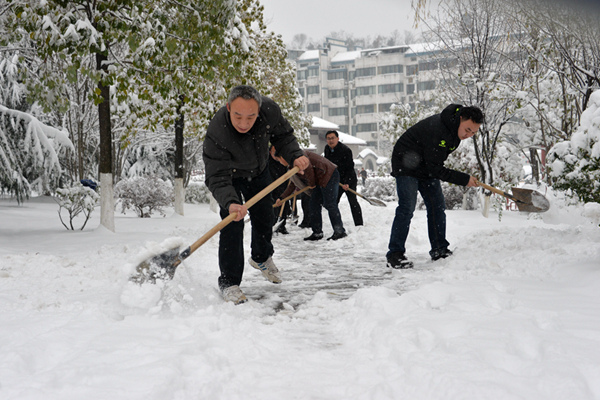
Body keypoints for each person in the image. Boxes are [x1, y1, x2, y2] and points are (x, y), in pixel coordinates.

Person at [203, 85, 310, 304]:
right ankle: (229, 282)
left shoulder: (270, 111)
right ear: (228, 108)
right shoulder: (218, 131)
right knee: (232, 223)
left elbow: (284, 137)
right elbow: (217, 176)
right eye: (238, 116)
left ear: (259, 110)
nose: (244, 124)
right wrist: (232, 202)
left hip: (258, 171)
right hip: (229, 176)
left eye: (251, 117)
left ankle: (261, 257)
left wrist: (295, 156)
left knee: (264, 215)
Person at [387, 104, 483, 269]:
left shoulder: (455, 131)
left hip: (425, 166)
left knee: (437, 206)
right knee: (407, 208)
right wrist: (464, 178)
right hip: (406, 163)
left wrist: (463, 178)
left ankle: (439, 249)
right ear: (460, 118)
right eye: (467, 130)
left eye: (473, 133)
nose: (468, 135)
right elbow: (436, 168)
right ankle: (395, 254)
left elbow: (434, 163)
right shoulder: (439, 129)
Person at [271, 147, 347, 242]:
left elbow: (308, 167)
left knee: (330, 203)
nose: (279, 162)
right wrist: (282, 198)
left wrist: (311, 184)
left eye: (278, 160)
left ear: (282, 157)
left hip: (328, 174)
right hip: (319, 179)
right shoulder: (292, 165)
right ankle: (317, 232)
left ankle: (339, 231)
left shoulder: (297, 157)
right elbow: (293, 184)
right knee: (313, 204)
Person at [324, 130, 363, 226]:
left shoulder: (345, 150)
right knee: (333, 202)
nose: (331, 141)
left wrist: (347, 182)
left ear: (337, 139)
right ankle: (337, 224)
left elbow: (349, 168)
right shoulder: (327, 149)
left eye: (332, 138)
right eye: (328, 138)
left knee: (352, 201)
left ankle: (359, 224)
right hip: (336, 180)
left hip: (349, 179)